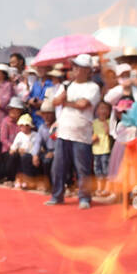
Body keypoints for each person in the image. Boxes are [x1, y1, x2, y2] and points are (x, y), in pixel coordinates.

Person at [46, 53, 100, 208]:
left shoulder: (93, 87)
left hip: (81, 133)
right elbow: (55, 101)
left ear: (87, 70)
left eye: (78, 67)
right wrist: (64, 100)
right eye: (74, 66)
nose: (74, 69)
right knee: (58, 167)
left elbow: (83, 104)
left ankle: (84, 197)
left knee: (82, 168)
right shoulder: (67, 85)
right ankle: (57, 196)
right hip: (64, 131)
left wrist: (66, 102)